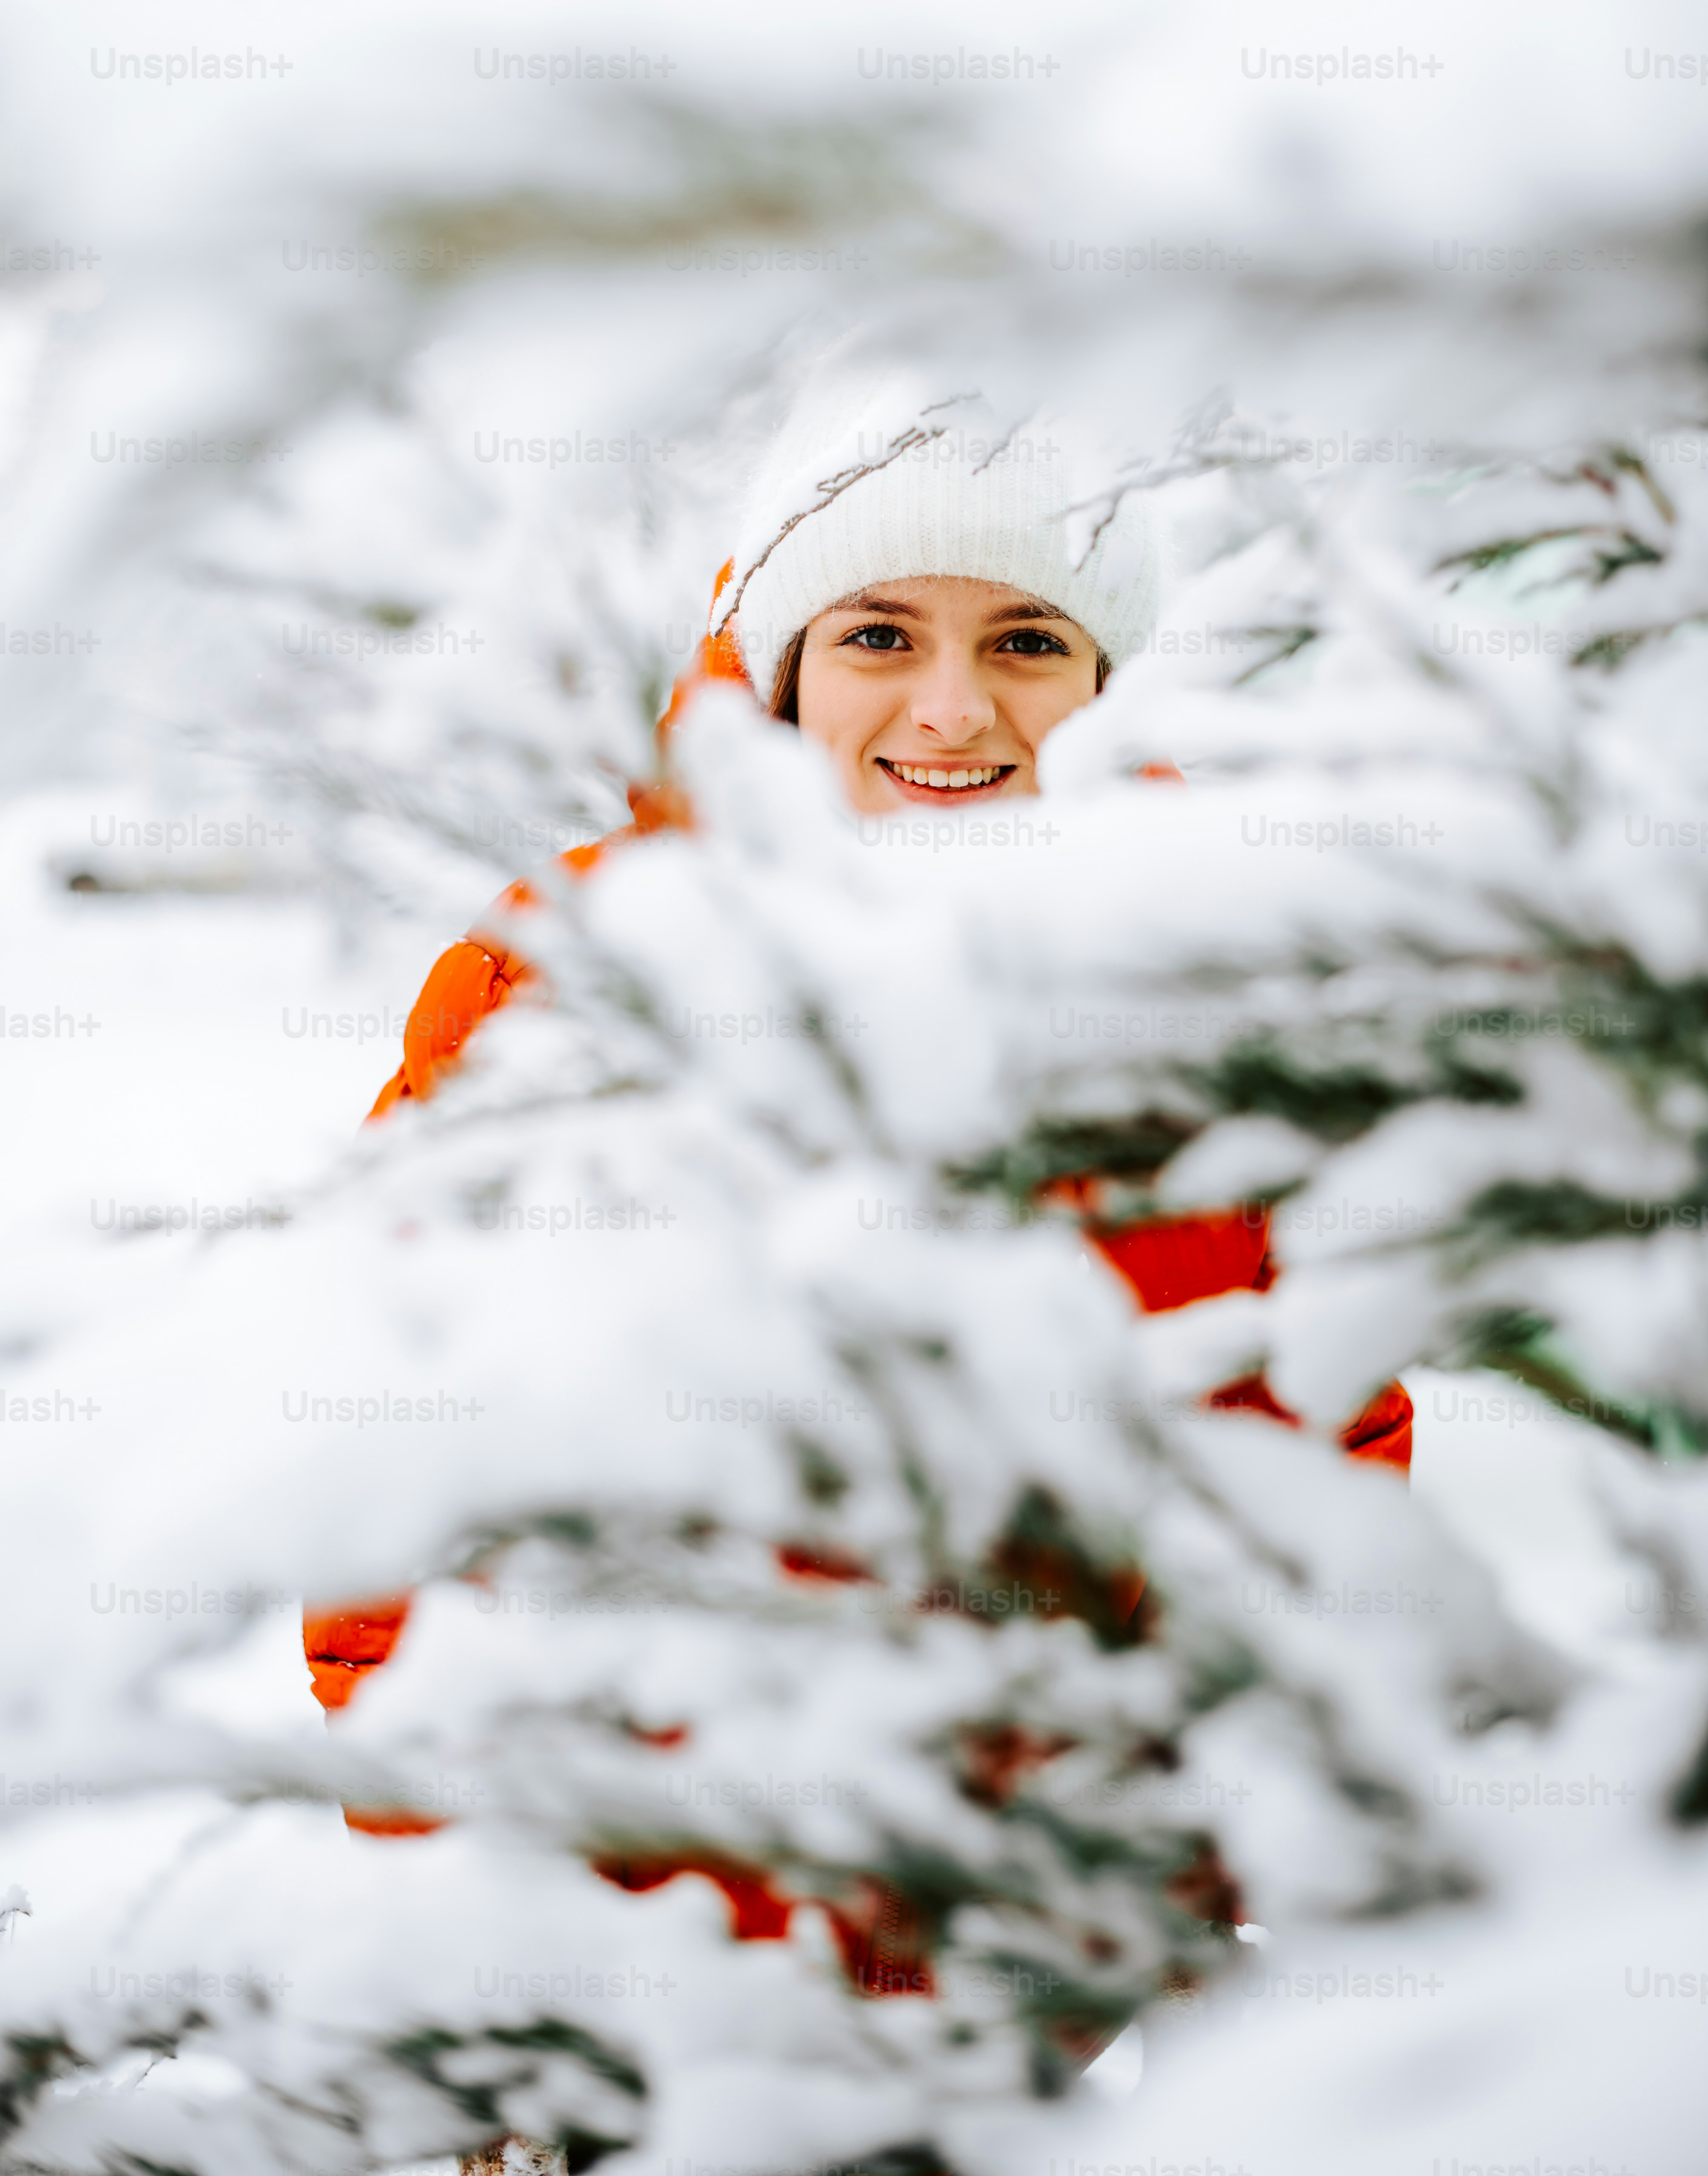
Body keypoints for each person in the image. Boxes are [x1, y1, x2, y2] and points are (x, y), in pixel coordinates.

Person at [303, 372, 1411, 1976]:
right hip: (630, 1950)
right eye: (881, 635)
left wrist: (1260, 1859)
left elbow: (1319, 1447)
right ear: (782, 673)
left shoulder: (1214, 1007)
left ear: (1111, 683)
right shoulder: (571, 978)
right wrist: (456, 1896)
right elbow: (383, 1443)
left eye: (1026, 641)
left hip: (1033, 1933)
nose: (953, 711)